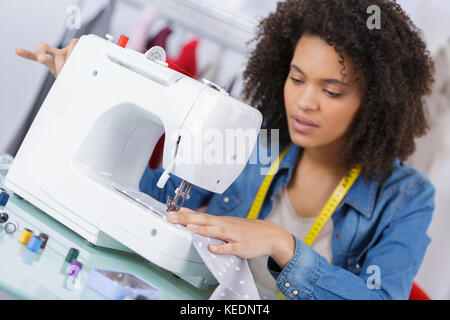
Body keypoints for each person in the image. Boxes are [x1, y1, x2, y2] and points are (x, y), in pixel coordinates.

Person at [16, 0, 435, 300]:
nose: (305, 102)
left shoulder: (406, 197)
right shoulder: (261, 144)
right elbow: (157, 202)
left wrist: (283, 245)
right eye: (296, 78)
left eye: (331, 90)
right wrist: (95, 89)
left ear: (376, 101)